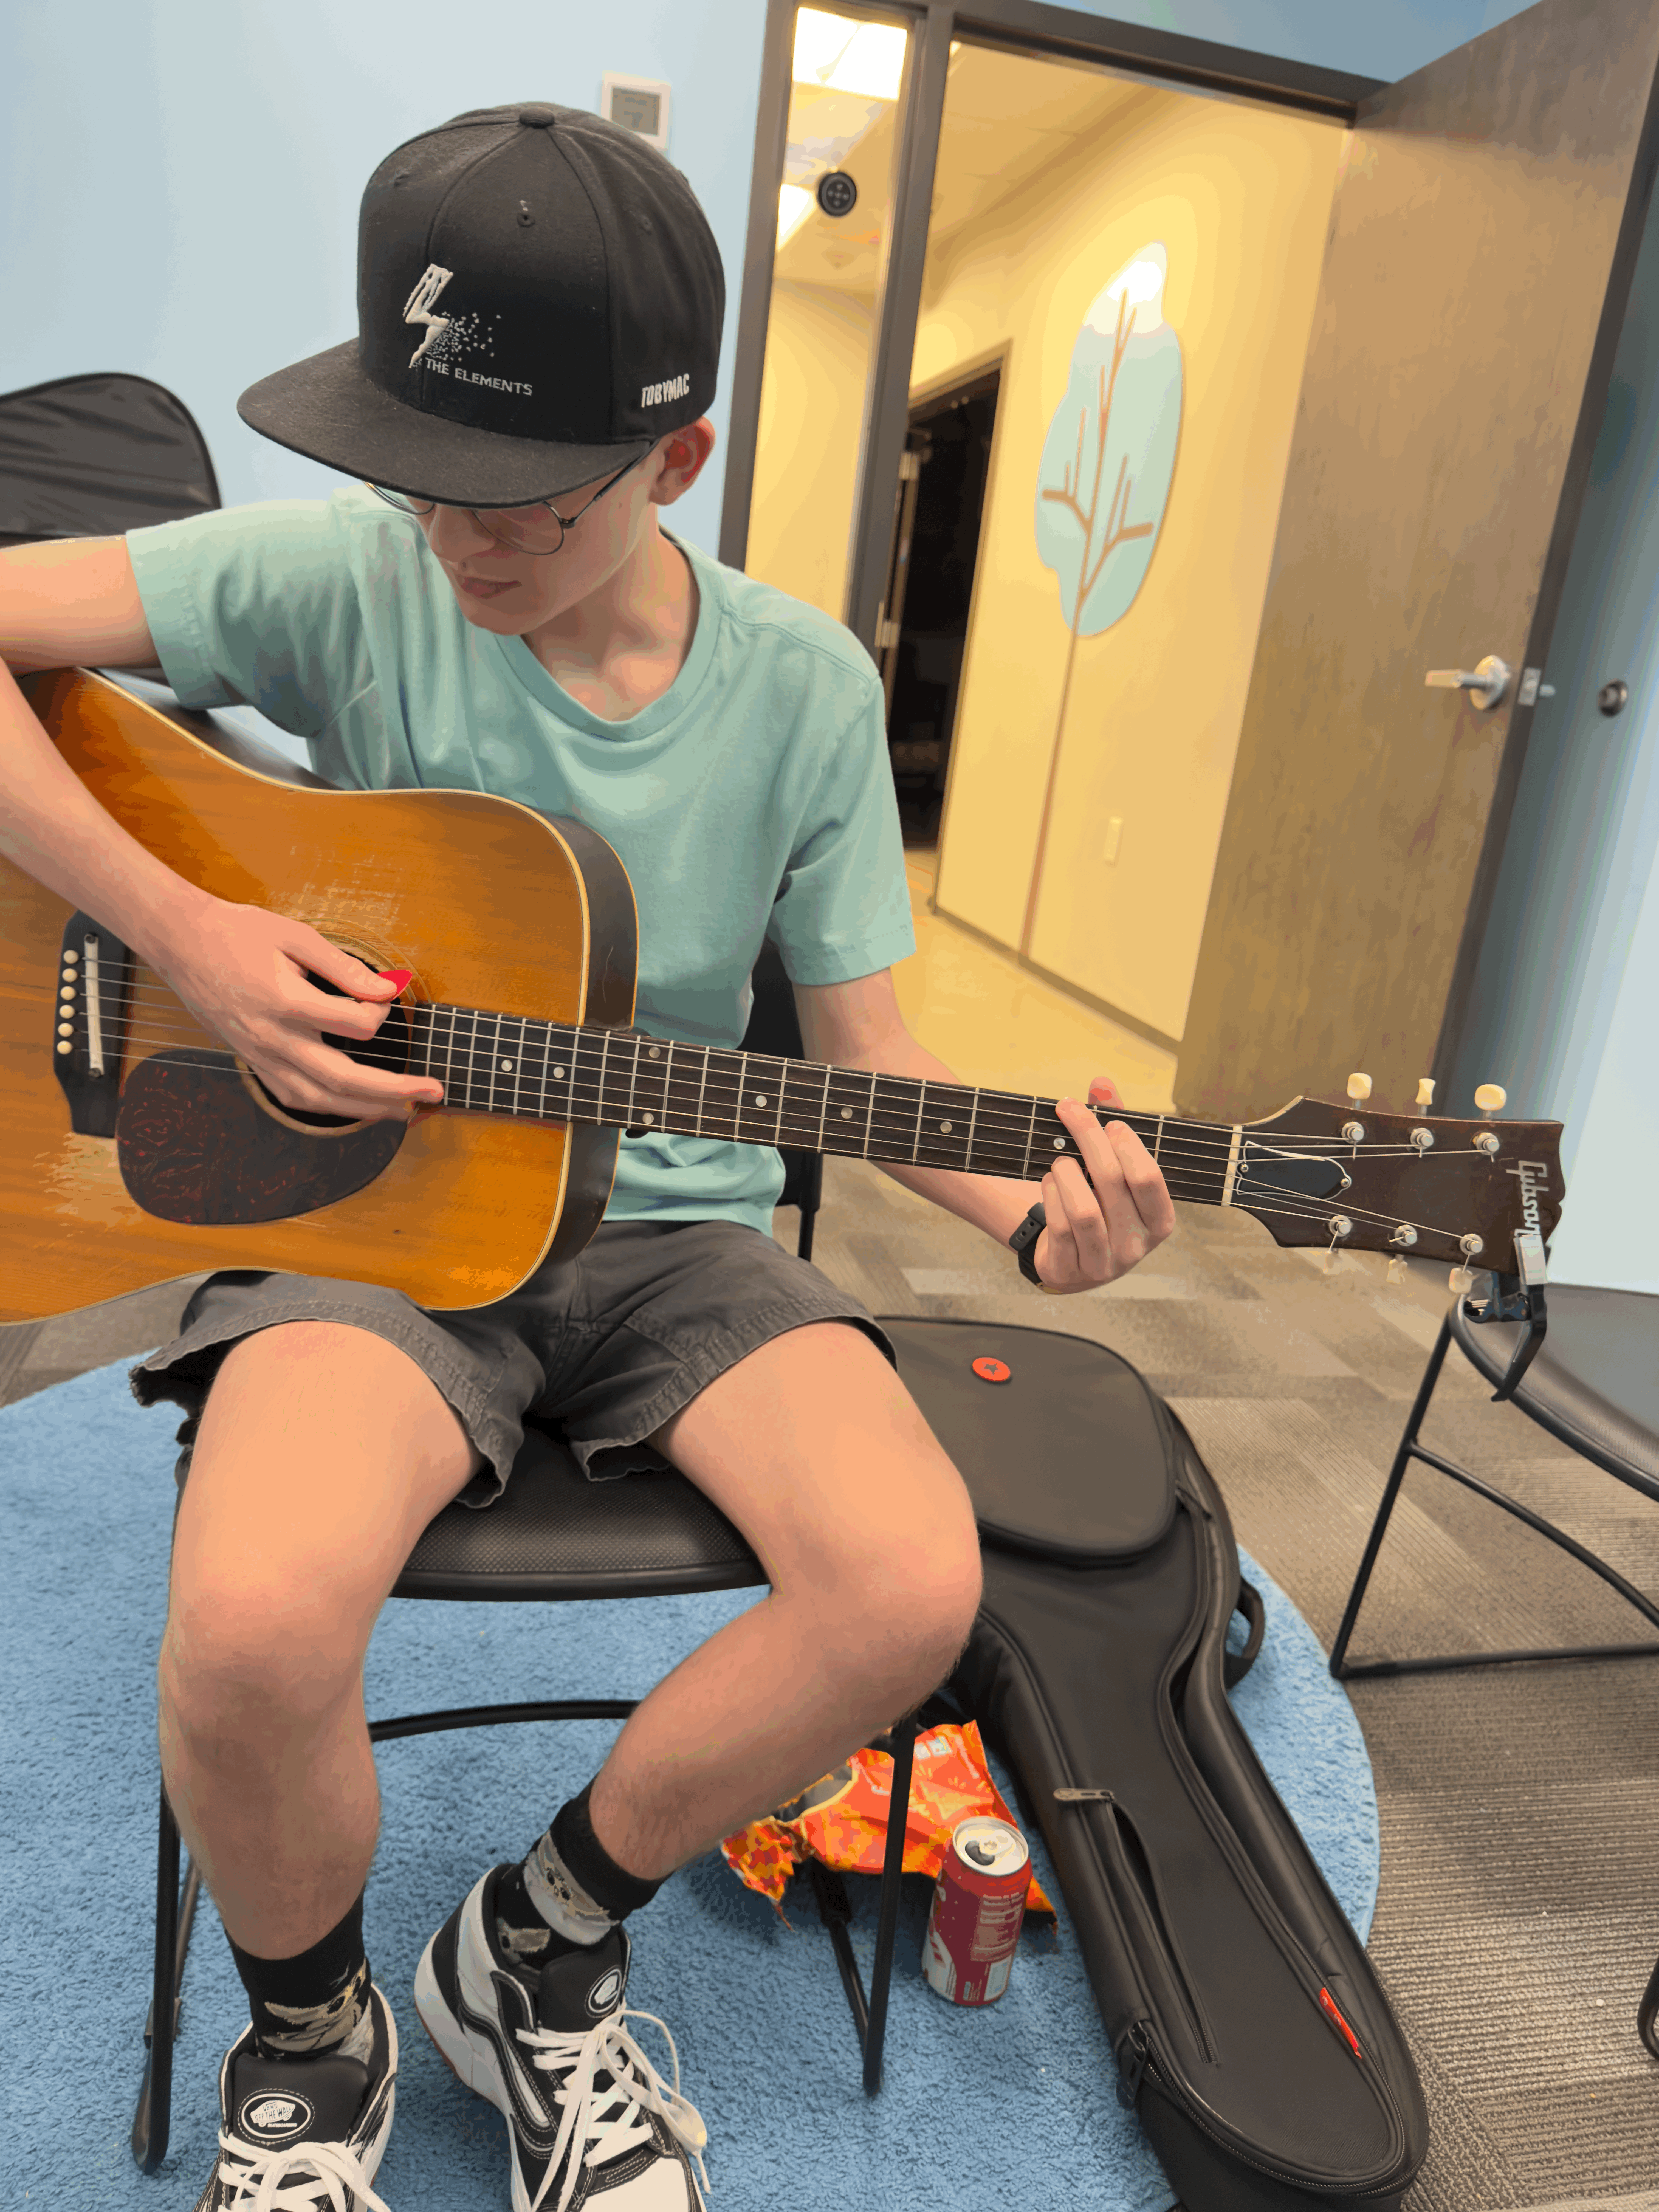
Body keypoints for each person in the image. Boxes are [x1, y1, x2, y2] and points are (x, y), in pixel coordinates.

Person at [0, 101, 1173, 2212]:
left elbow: (870, 1059)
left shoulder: (804, 694)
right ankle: (312, 2040)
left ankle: (532, 1951)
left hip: (673, 1237)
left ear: (675, 463)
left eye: (522, 510)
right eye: (419, 482)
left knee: (912, 1578)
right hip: (374, 1214)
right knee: (250, 1622)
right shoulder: (346, 571)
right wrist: (186, 933)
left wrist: (1044, 1218)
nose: (456, 547)